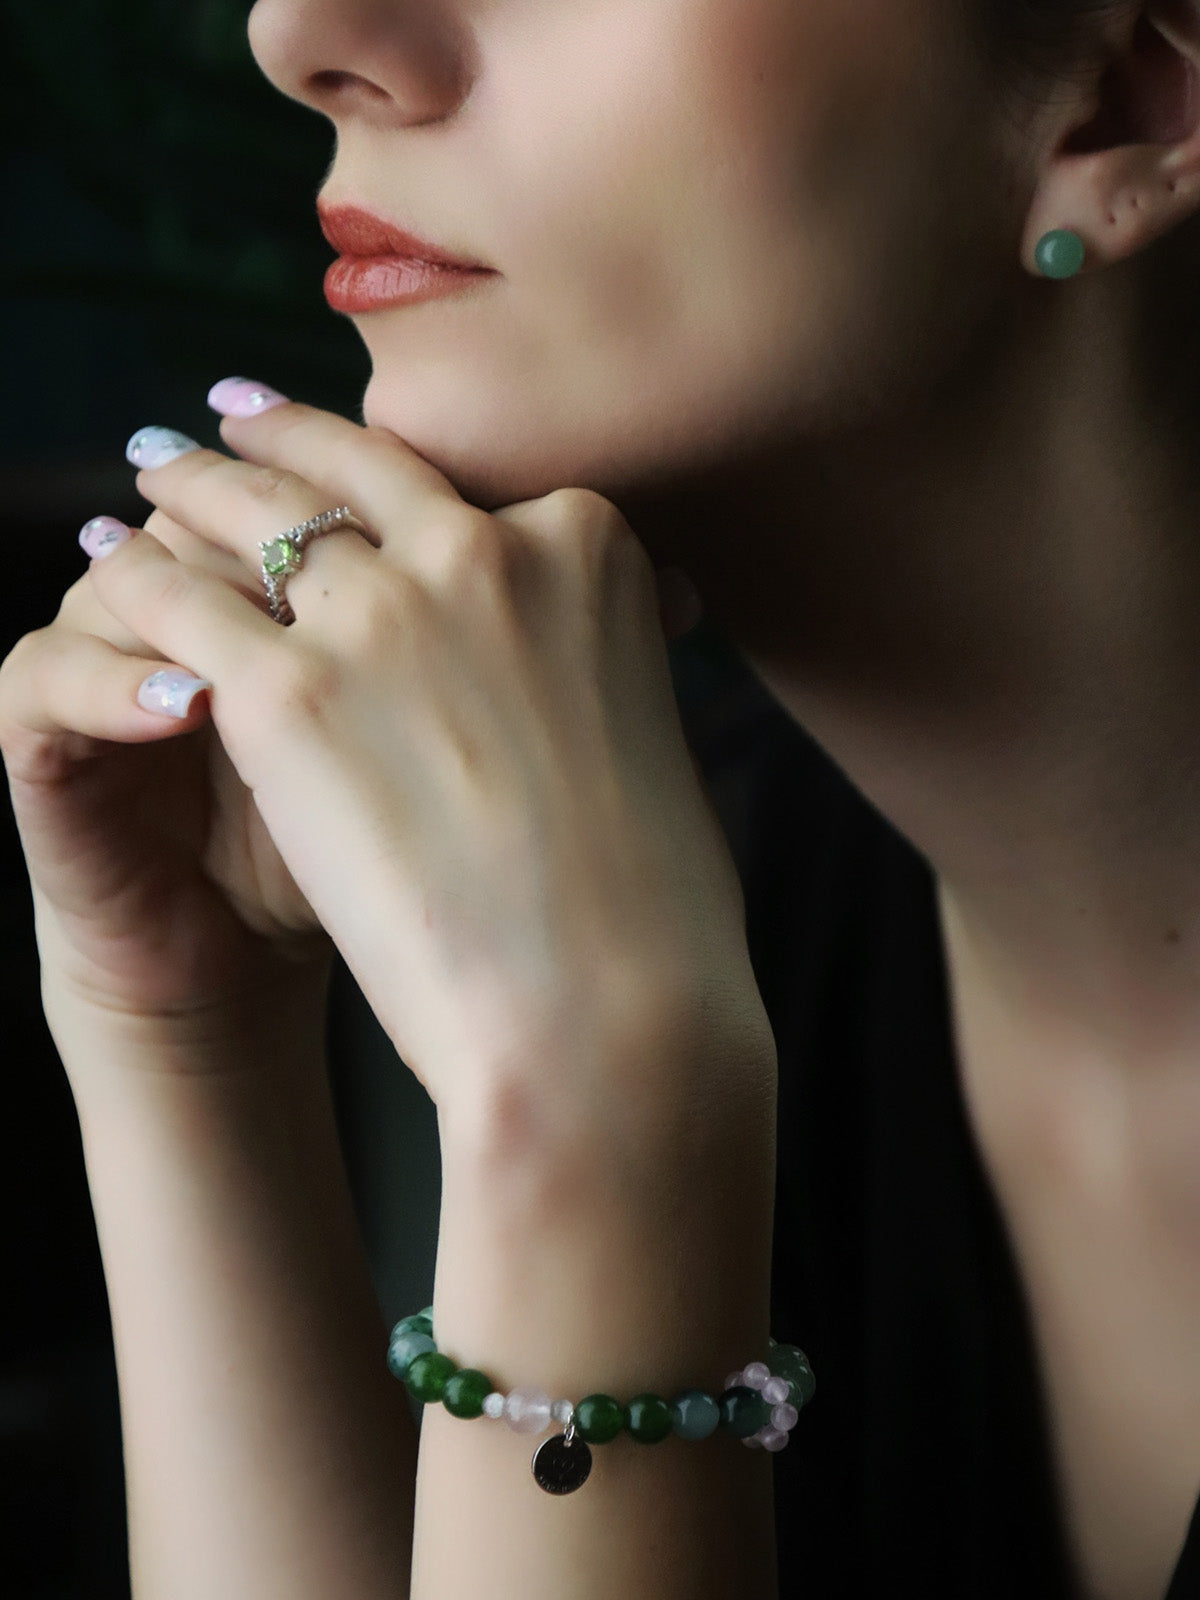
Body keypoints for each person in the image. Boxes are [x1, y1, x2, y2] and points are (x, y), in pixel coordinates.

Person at [2, 0, 1199, 1595]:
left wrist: (603, 1122)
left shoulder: (642, 992)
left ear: (1132, 90)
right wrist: (185, 1039)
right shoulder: (723, 900)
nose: (301, 31)